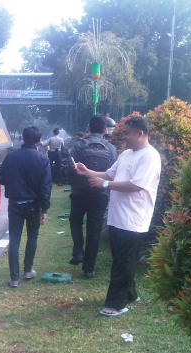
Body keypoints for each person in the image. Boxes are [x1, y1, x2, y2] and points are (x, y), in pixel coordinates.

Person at [74, 117, 161, 316]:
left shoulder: (150, 156)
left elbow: (136, 185)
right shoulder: (126, 154)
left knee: (123, 261)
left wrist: (104, 185)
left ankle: (115, 304)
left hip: (134, 219)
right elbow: (109, 174)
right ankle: (130, 294)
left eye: (127, 133)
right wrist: (87, 172)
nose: (124, 137)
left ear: (140, 133)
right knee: (122, 259)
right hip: (116, 217)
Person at [0, 126, 52, 288]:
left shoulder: (11, 156)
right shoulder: (42, 159)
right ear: (39, 140)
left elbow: (0, 177)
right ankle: (28, 270)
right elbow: (45, 187)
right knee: (32, 236)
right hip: (34, 205)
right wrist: (45, 209)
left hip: (15, 203)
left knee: (14, 238)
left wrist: (13, 184)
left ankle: (14, 278)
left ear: (22, 137)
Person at [68, 116, 117, 279]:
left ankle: (78, 251)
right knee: (94, 230)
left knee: (75, 221)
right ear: (105, 130)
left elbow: (70, 166)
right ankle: (88, 269)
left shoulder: (79, 145)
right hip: (100, 193)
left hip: (79, 192)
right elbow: (113, 172)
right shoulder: (111, 148)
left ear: (88, 127)